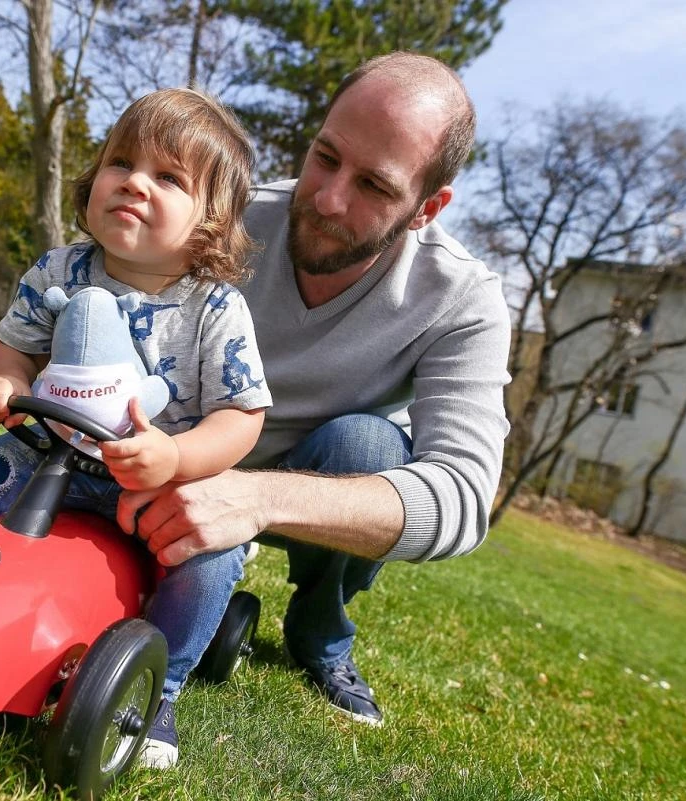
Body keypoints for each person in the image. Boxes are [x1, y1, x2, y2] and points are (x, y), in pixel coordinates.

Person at [114, 52, 512, 732]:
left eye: (375, 188)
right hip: (175, 453)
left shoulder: (462, 301)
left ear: (427, 208)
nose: (328, 198)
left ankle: (319, 631)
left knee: (370, 443)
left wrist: (255, 496)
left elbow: (464, 495)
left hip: (313, 475)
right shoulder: (219, 218)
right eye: (325, 156)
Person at [0, 88, 273, 768]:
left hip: (154, 485)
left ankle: (162, 685)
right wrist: (6, 382)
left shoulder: (215, 309)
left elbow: (243, 415)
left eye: (168, 178)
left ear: (212, 222)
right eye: (122, 163)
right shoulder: (60, 269)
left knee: (208, 558)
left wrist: (174, 455)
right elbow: (11, 347)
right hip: (52, 455)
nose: (134, 184)